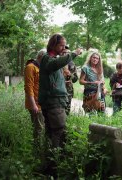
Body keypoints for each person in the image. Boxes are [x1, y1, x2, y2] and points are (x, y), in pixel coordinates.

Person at [39, 34, 81, 176]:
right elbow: (55, 65)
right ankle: (55, 168)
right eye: (61, 45)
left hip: (56, 102)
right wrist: (74, 53)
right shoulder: (47, 58)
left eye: (65, 45)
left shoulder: (53, 59)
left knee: (52, 134)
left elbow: (69, 76)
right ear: (53, 45)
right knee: (59, 133)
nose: (64, 48)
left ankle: (50, 167)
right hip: (54, 103)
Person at [24, 50, 45, 153]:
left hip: (42, 103)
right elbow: (28, 87)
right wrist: (33, 105)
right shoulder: (30, 67)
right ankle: (37, 152)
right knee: (39, 129)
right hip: (35, 104)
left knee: (42, 127)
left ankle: (40, 149)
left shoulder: (40, 67)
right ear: (41, 57)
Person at [62, 46, 78, 115]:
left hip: (68, 90)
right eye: (64, 52)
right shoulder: (55, 62)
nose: (66, 54)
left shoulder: (72, 64)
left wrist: (70, 74)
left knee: (67, 110)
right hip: (57, 90)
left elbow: (75, 79)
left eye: (68, 53)